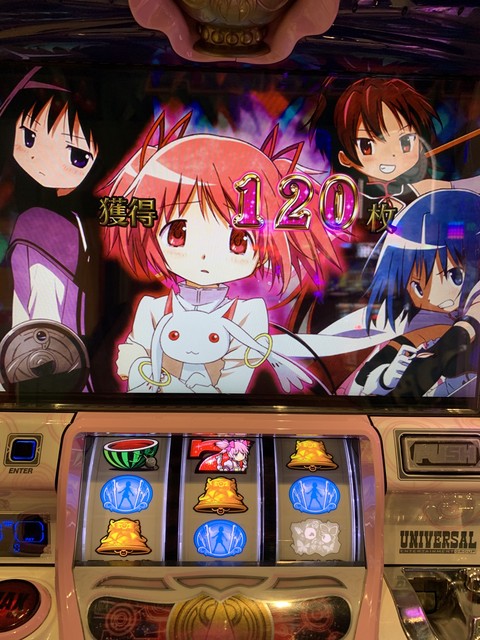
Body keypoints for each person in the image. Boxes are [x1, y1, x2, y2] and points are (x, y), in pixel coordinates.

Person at [102, 113, 342, 394]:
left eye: (238, 241)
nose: (205, 255)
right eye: (178, 233)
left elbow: (232, 385)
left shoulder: (248, 314)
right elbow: (136, 381)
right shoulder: (151, 309)